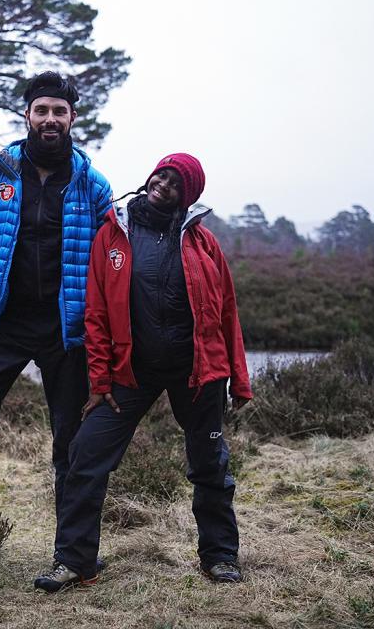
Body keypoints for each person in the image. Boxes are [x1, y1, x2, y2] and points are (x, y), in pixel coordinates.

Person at [34, 153, 252, 592]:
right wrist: (99, 381)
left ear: (187, 196)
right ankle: (76, 561)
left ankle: (220, 556)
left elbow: (227, 310)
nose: (164, 184)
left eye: (176, 182)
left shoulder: (203, 243)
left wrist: (237, 377)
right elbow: (95, 313)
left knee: (210, 465)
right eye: (162, 174)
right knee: (86, 454)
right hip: (132, 373)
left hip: (197, 371)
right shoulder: (113, 235)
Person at [0, 71, 112, 524]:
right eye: (42, 110)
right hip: (3, 321)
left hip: (66, 327)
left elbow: (111, 253)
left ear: (73, 118)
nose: (50, 119)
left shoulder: (93, 183)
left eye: (59, 112)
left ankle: (72, 549)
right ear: (27, 115)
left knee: (71, 437)